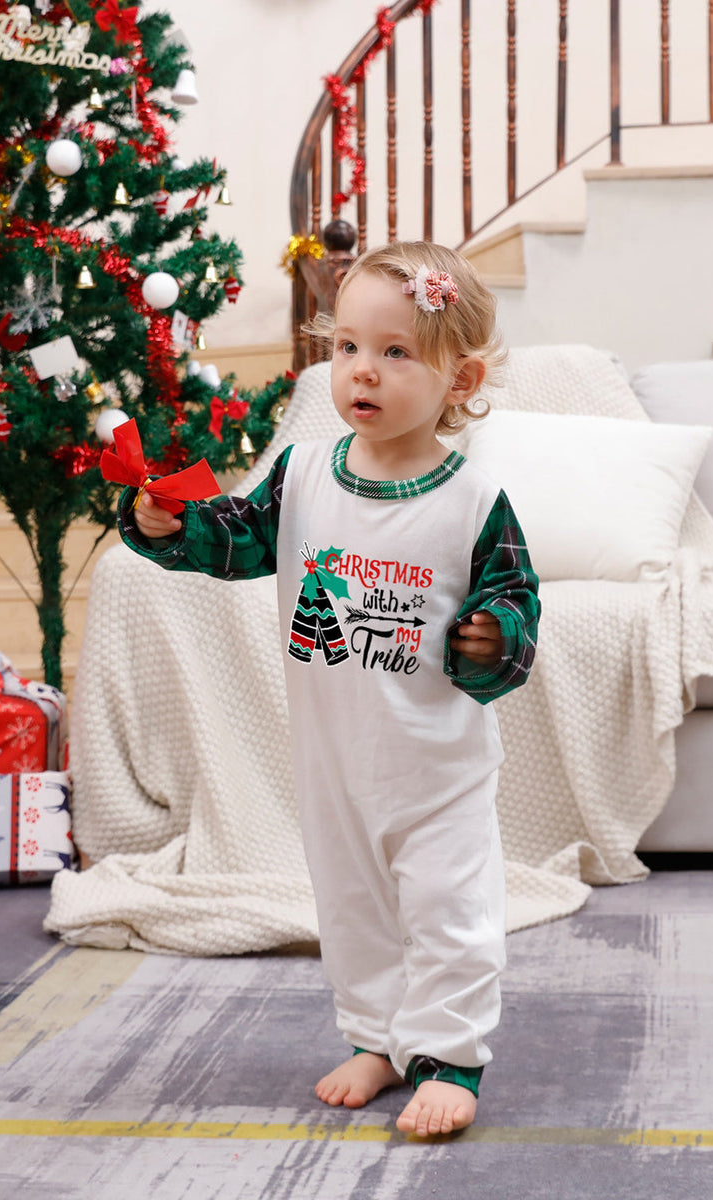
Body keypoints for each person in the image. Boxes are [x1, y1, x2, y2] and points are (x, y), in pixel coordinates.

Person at [120, 241, 540, 1138]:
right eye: (349, 347)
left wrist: (490, 634)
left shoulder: (474, 500)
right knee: (352, 909)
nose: (364, 372)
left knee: (445, 908)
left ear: (459, 377)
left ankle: (450, 1055)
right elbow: (232, 539)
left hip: (436, 768)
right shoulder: (304, 475)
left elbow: (514, 604)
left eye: (397, 353)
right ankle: (381, 1039)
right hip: (333, 759)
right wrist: (167, 522)